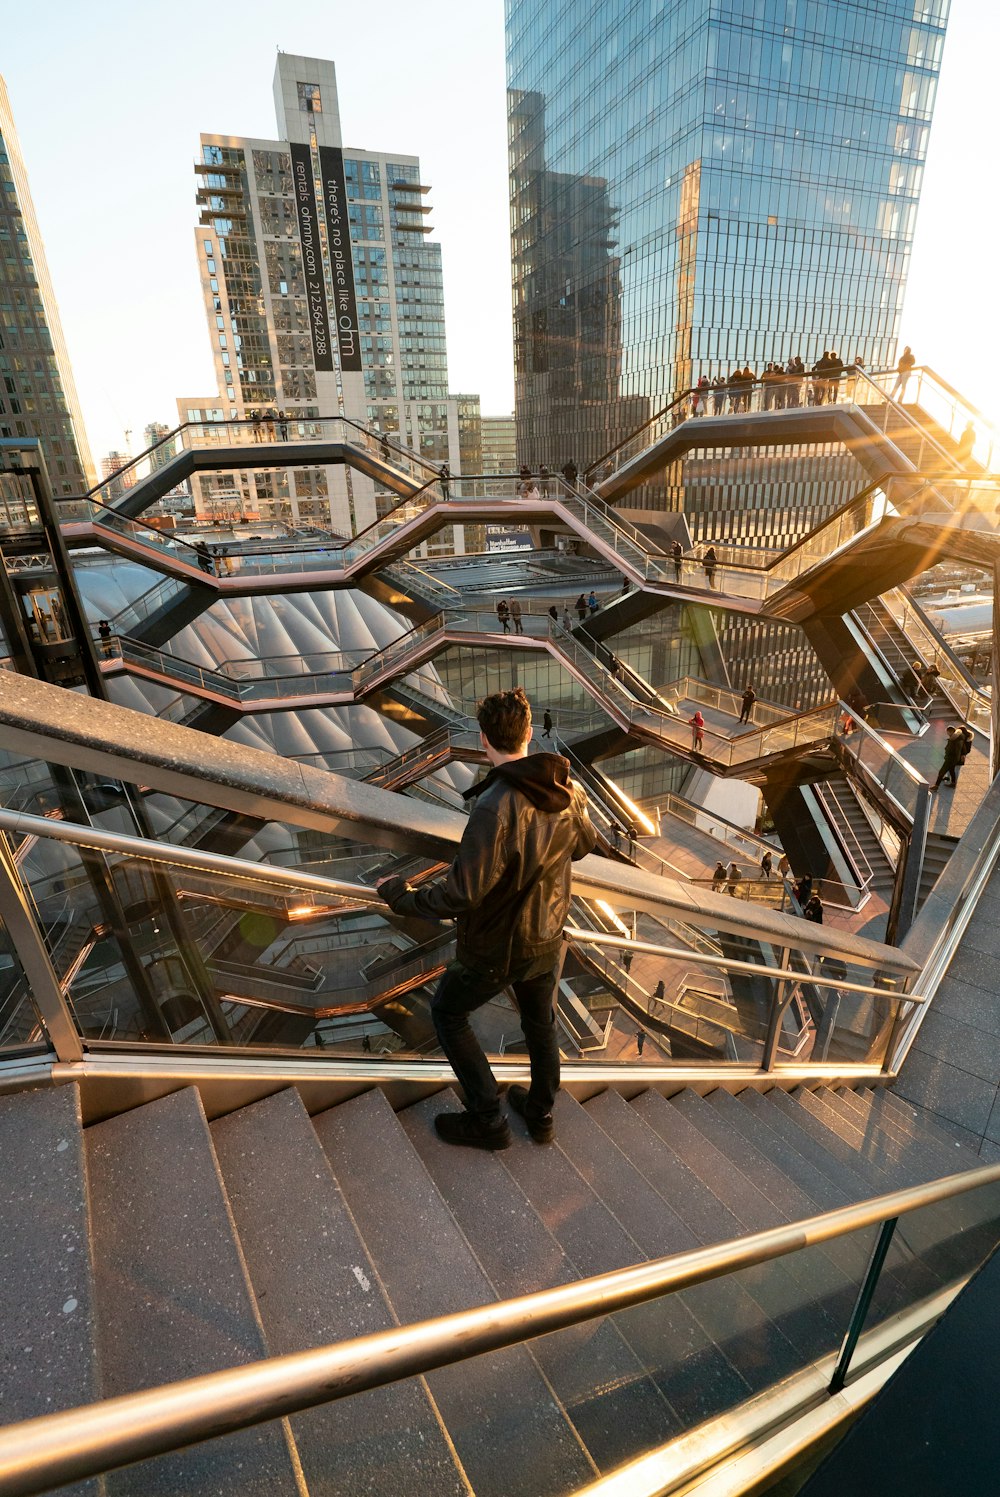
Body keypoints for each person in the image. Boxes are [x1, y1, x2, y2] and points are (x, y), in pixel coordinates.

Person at [376, 687, 595, 1149]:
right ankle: (541, 1114)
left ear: (483, 742)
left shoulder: (493, 807)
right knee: (541, 1024)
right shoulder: (569, 792)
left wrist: (402, 896)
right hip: (547, 938)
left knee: (448, 1013)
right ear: (530, 734)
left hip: (496, 948)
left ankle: (487, 1119)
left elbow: (461, 894)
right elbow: (583, 845)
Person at [932, 725, 964, 789]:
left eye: (947, 732)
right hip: (955, 758)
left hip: (950, 759)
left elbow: (950, 750)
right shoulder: (959, 738)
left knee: (941, 772)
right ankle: (953, 783)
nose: (947, 734)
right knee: (951, 770)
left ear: (950, 732)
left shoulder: (953, 740)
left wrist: (947, 751)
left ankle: (936, 786)